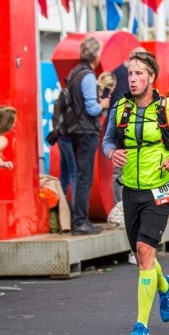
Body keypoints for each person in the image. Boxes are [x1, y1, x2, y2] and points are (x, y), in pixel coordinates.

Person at [102, 51, 169, 335]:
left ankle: (141, 326)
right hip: (130, 189)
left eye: (139, 73)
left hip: (160, 188)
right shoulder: (120, 109)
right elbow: (107, 140)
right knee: (143, 255)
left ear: (152, 77)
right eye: (130, 74)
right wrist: (111, 152)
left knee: (144, 252)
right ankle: (164, 285)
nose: (132, 79)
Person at [65, 36, 110, 235]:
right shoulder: (89, 76)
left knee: (79, 176)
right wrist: (104, 104)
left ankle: (78, 219)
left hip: (74, 129)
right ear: (95, 55)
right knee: (85, 177)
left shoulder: (75, 72)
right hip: (86, 131)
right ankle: (80, 221)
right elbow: (92, 108)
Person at [109, 48, 148, 205]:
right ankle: (121, 205)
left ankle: (126, 204)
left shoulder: (117, 72)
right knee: (121, 168)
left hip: (126, 126)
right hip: (124, 128)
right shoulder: (123, 75)